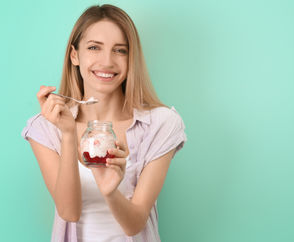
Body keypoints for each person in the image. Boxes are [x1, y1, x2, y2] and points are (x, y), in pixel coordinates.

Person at [21, 4, 186, 242]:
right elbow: (69, 211)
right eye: (94, 47)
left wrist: (110, 192)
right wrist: (68, 134)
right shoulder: (45, 126)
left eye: (120, 50)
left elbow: (135, 224)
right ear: (74, 55)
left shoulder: (162, 124)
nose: (107, 61)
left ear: (132, 59)